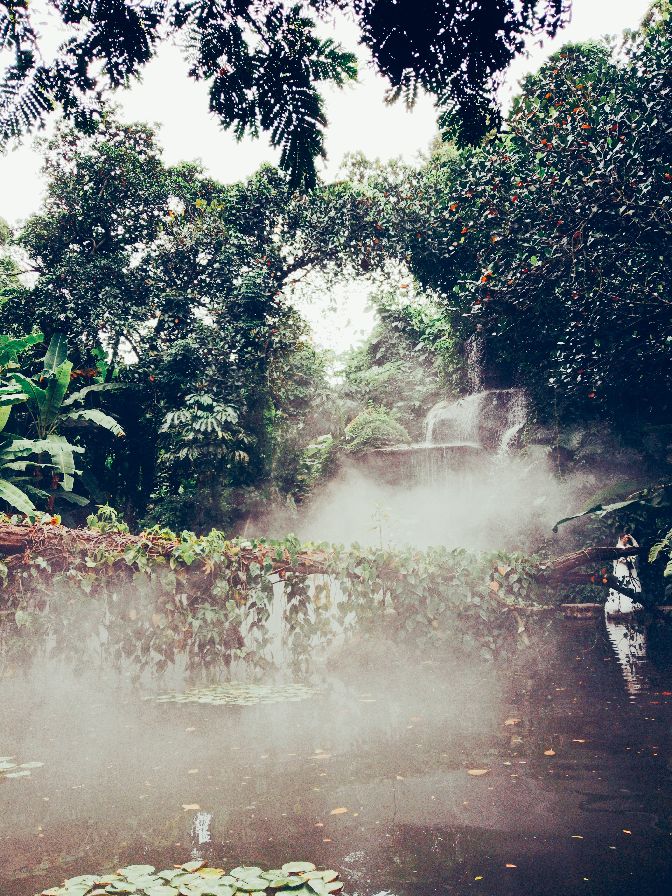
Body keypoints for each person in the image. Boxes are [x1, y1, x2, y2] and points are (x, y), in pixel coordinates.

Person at [605, 529, 643, 618]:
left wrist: (632, 538)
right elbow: (621, 559)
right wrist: (627, 559)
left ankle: (632, 607)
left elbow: (636, 548)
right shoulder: (617, 548)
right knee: (621, 585)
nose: (627, 539)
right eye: (625, 538)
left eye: (627, 538)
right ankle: (620, 608)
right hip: (621, 570)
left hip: (629, 570)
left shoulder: (628, 546)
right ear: (621, 538)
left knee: (631, 585)